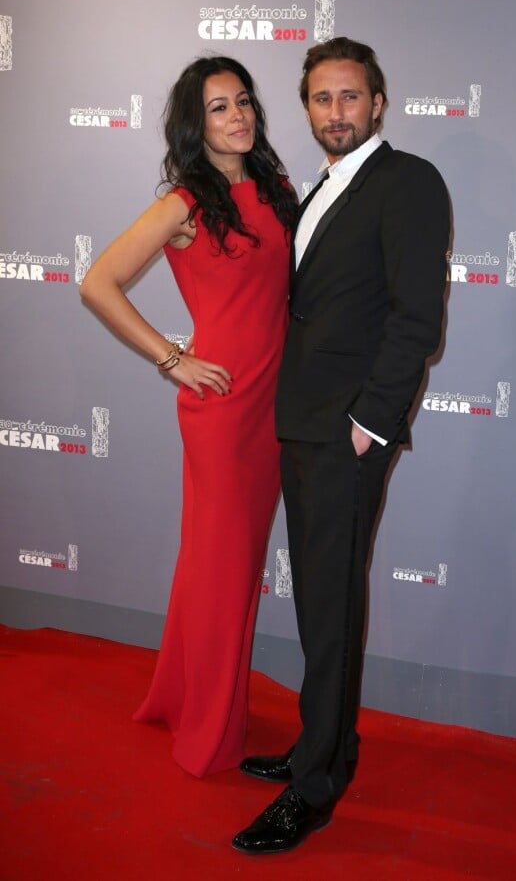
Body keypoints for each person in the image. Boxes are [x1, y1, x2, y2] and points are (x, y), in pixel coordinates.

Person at [232, 37, 450, 854]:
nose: (336, 112)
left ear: (378, 101)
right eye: (321, 99)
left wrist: (370, 424)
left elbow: (417, 319)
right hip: (304, 423)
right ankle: (319, 747)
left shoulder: (409, 183)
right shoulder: (321, 187)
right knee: (323, 604)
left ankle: (316, 789)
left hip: (345, 434)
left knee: (330, 604)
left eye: (350, 97)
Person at [80, 56, 298, 777]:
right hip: (224, 403)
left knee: (215, 566)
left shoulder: (276, 188)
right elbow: (97, 282)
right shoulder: (184, 204)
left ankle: (183, 696)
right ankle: (208, 729)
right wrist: (172, 359)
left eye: (243, 102)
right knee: (223, 570)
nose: (238, 116)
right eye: (218, 108)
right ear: (192, 123)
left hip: (277, 400)